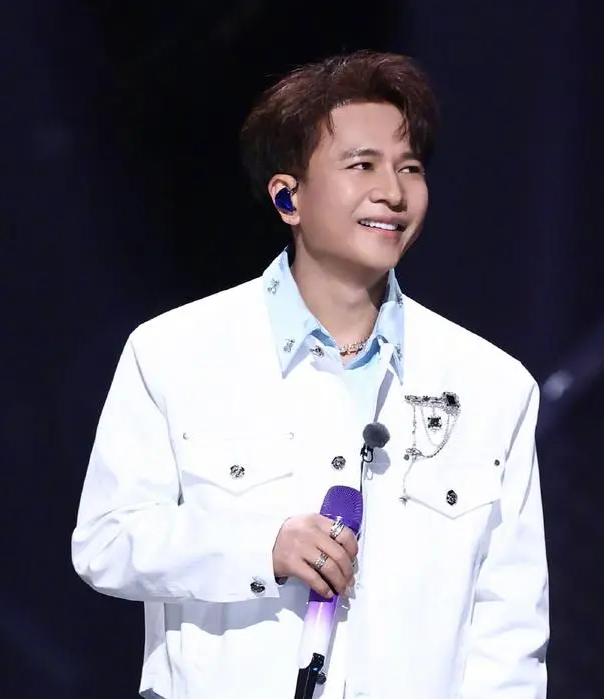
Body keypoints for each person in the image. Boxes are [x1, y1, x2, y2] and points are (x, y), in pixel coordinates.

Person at [71, 50, 548, 699]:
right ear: (288, 197)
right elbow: (106, 543)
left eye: (409, 167)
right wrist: (261, 546)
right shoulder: (174, 354)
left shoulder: (492, 385)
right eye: (362, 165)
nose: (393, 191)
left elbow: (510, 626)